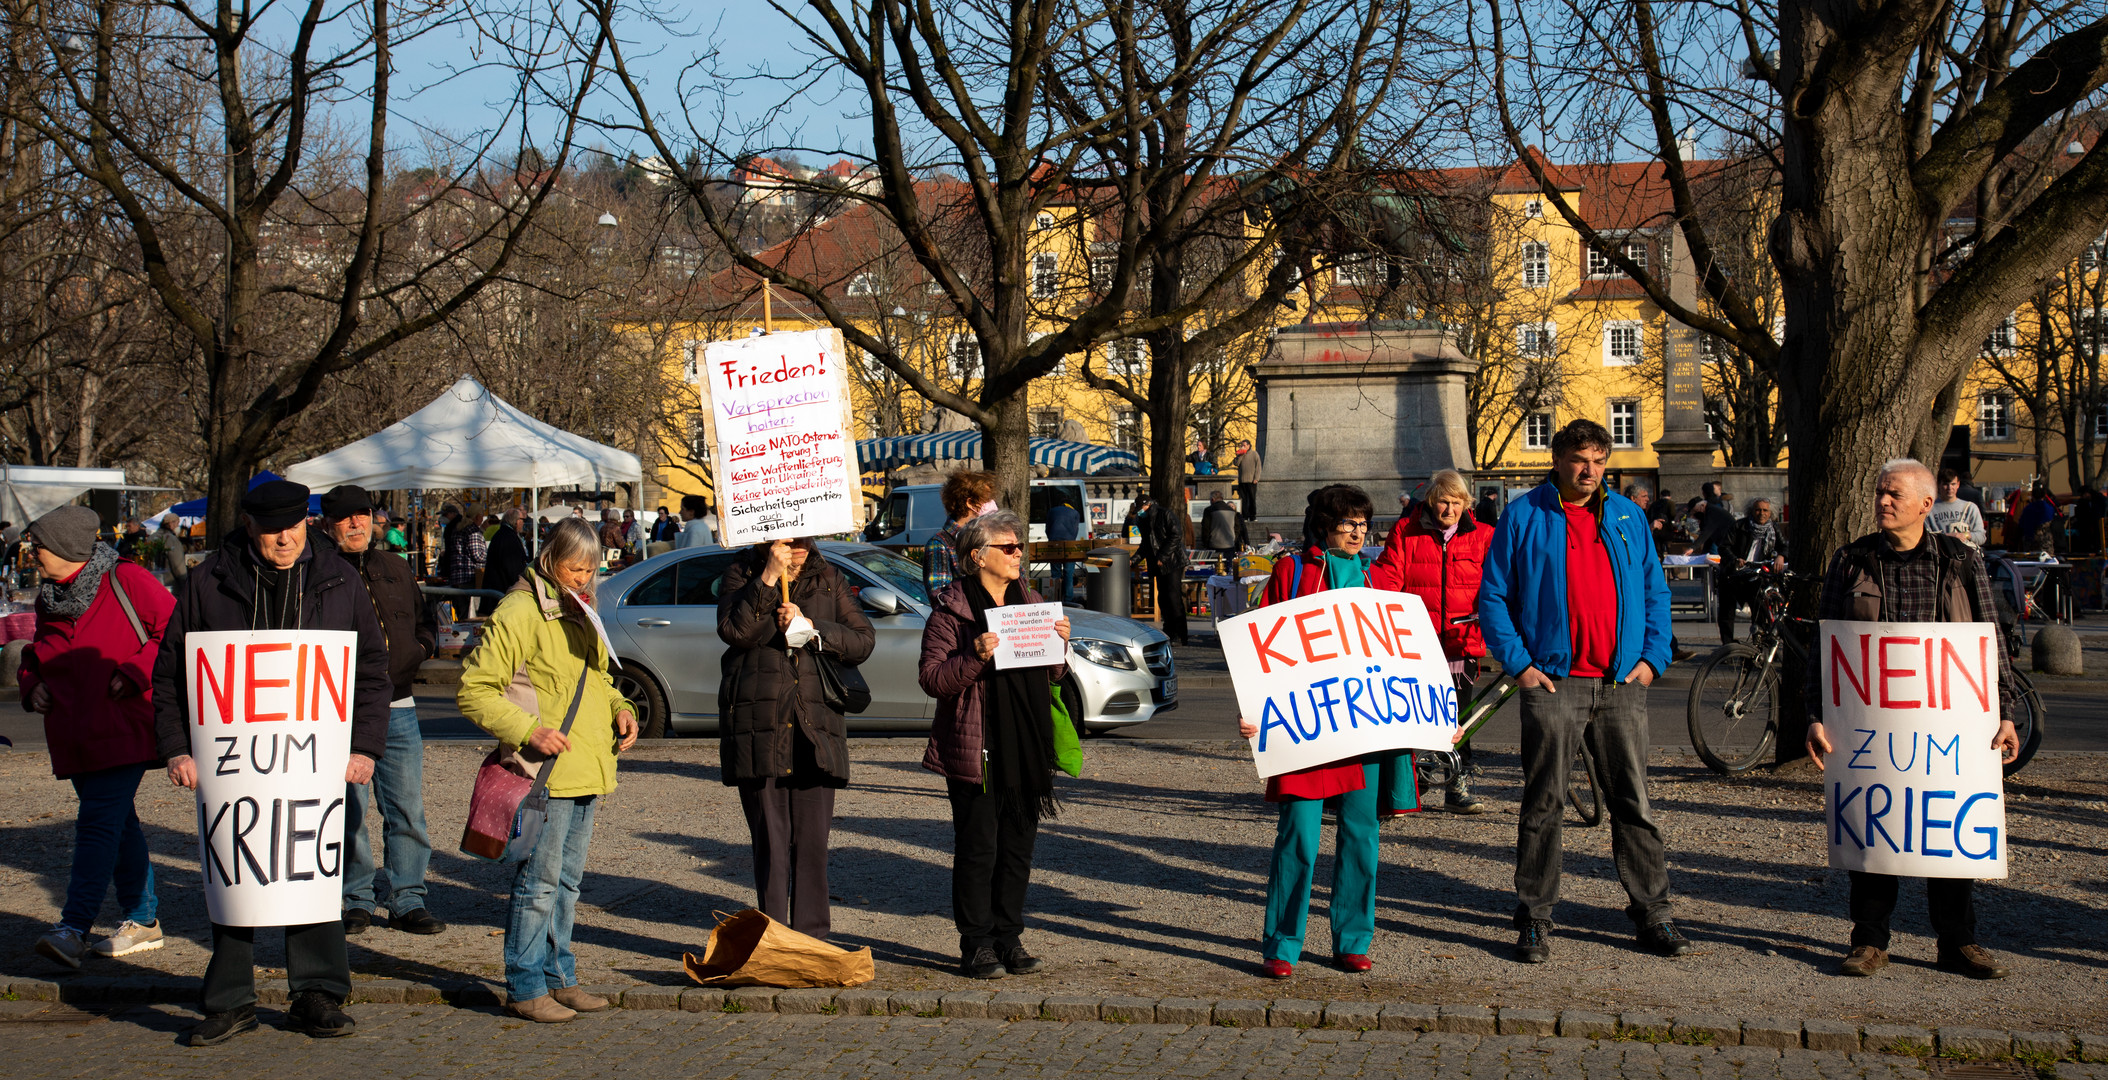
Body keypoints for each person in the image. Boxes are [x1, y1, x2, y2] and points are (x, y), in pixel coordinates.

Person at [151, 480, 392, 1045]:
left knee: (309, 865)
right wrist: (176, 746)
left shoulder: (339, 577)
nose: (284, 539)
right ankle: (230, 1000)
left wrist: (365, 746)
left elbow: (372, 671)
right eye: (270, 529)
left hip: (312, 759)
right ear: (248, 526)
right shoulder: (208, 581)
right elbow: (170, 675)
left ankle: (318, 993)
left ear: (307, 523)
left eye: (293, 526)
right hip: (234, 761)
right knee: (234, 867)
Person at [1477, 419, 1688, 964]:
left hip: (1621, 682)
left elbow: (1654, 591)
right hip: (1554, 681)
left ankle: (1654, 914)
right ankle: (1534, 917)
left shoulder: (1626, 516)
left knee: (1632, 803)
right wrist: (1520, 666)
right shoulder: (1525, 515)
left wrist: (1653, 660)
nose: (1589, 470)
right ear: (1558, 459)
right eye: (1580, 458)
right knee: (1544, 801)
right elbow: (1494, 596)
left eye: (1599, 459)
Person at [1805, 458, 2020, 981]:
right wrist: (1815, 715)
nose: (1883, 501)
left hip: (1948, 729)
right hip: (1872, 728)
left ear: (1926, 504)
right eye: (1880, 492)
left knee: (1945, 830)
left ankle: (1957, 941)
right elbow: (1824, 647)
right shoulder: (1852, 561)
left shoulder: (1961, 561)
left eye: (1894, 494)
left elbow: (1991, 643)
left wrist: (2006, 712)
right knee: (1873, 831)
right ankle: (1870, 940)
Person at [457, 516, 640, 1023]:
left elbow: (597, 677)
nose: (582, 578)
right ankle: (525, 983)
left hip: (586, 765)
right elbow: (474, 690)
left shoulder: (581, 605)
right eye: (573, 568)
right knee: (538, 883)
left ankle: (560, 978)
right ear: (548, 557)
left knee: (567, 884)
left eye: (589, 570)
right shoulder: (520, 610)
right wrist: (527, 731)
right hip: (546, 772)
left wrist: (620, 706)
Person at [1235, 484, 1394, 977]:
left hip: (1364, 723)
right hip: (1307, 724)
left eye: (1364, 524)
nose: (1359, 532)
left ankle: (1352, 939)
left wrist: (1428, 715)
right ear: (1324, 525)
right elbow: (1262, 645)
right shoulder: (1293, 569)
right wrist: (1254, 711)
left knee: (1361, 835)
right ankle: (1282, 944)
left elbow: (1395, 650)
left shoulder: (1375, 575)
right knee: (1299, 835)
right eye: (1349, 524)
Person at [917, 509, 1071, 979]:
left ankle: (1009, 936)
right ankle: (976, 943)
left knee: (1018, 848)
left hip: (1026, 743)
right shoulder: (951, 612)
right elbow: (932, 680)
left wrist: (1062, 646)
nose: (1018, 554)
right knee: (979, 847)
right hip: (978, 745)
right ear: (977, 556)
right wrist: (975, 656)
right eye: (1009, 547)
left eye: (1019, 546)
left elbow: (1053, 675)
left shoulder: (1031, 601)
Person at [22, 506, 177, 970]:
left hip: (122, 726)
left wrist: (134, 671)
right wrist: (31, 683)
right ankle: (143, 919)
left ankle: (73, 927)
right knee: (116, 824)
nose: (31, 554)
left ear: (66, 548)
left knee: (96, 824)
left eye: (38, 545)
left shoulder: (125, 579)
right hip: (72, 732)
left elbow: (174, 629)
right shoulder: (51, 595)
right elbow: (37, 650)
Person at [717, 536, 874, 938]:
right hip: (761, 725)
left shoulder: (828, 577)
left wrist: (812, 628)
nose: (799, 545)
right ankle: (773, 939)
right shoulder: (743, 572)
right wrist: (769, 578)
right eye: (790, 539)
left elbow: (862, 640)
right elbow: (735, 630)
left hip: (814, 728)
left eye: (806, 538)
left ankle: (811, 941)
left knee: (811, 847)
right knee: (770, 845)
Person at [319, 486, 444, 938]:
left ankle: (408, 898)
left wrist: (421, 648)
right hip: (343, 710)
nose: (356, 524)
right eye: (346, 517)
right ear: (326, 523)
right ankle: (355, 898)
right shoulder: (318, 572)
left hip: (399, 704)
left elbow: (425, 617)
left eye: (363, 515)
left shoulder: (392, 565)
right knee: (348, 809)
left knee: (407, 809)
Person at [1373, 469, 1493, 814]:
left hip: (1462, 638)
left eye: (1457, 502)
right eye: (1444, 501)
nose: (1450, 509)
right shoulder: (1406, 531)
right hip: (1417, 641)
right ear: (1431, 501)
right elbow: (1389, 578)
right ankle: (1417, 781)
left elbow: (1496, 583)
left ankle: (1457, 783)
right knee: (1417, 713)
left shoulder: (1483, 535)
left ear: (1467, 504)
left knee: (1461, 716)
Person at [1716, 498, 1789, 644]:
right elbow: (1724, 547)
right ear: (1751, 511)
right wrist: (1735, 559)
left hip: (1757, 576)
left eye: (1765, 510)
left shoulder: (1773, 528)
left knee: (1759, 613)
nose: (1761, 513)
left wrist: (1781, 556)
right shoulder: (1739, 526)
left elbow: (1784, 546)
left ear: (1770, 513)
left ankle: (1759, 645)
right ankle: (1728, 645)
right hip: (1734, 575)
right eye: (1758, 510)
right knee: (1727, 613)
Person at [923, 470, 997, 598]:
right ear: (970, 503)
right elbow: (940, 596)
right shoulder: (940, 544)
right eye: (987, 499)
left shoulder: (991, 537)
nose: (992, 503)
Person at [1142, 493, 1193, 645]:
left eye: (1142, 507)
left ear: (1148, 504)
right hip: (1161, 562)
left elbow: (1176, 536)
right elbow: (1146, 543)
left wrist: (1162, 556)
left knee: (1173, 596)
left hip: (1173, 561)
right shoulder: (1144, 519)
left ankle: (1179, 633)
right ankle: (1170, 630)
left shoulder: (1165, 514)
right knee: (1163, 598)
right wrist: (1134, 559)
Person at [443, 505, 487, 620]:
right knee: (470, 616)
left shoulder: (457, 529)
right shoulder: (472, 530)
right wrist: (492, 556)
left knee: (461, 615)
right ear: (477, 517)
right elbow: (478, 555)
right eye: (482, 516)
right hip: (470, 578)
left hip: (457, 578)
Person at [1931, 468, 1987, 546]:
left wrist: (1965, 535)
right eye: (1945, 484)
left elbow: (1981, 537)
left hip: (1966, 555)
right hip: (1940, 555)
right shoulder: (1929, 510)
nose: (1949, 488)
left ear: (1958, 485)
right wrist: (1946, 537)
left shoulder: (1970, 508)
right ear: (1938, 485)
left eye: (1953, 484)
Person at [1044, 494, 1083, 604]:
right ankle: (1068, 600)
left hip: (1053, 545)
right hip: (1069, 545)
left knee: (1055, 573)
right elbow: (1075, 531)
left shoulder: (1052, 511)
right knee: (1068, 573)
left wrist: (1052, 538)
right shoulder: (1075, 513)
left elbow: (1047, 528)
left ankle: (1055, 598)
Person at [485, 508, 532, 597]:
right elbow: (513, 568)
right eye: (522, 520)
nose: (523, 523)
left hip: (498, 589)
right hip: (502, 591)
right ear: (516, 521)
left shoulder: (503, 534)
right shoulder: (508, 538)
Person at [1200, 489, 1246, 569]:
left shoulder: (1209, 510)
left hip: (1214, 545)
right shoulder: (1231, 510)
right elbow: (1237, 527)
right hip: (1229, 545)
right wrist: (1233, 539)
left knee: (1213, 570)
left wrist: (1206, 544)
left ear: (1212, 499)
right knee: (1228, 569)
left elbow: (1205, 529)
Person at [2016, 481, 2059, 551]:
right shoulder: (2050, 508)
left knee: (2030, 559)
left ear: (2032, 496)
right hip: (2046, 540)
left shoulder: (2028, 508)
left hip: (2030, 539)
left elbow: (2021, 524)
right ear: (2044, 496)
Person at [1232, 440, 1262, 520]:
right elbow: (1236, 463)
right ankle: (1245, 516)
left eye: (1244, 445)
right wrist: (1241, 454)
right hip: (1242, 481)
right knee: (1243, 500)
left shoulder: (1254, 454)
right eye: (1241, 445)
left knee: (1252, 499)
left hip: (1251, 481)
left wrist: (1256, 478)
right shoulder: (1241, 454)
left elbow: (1258, 467)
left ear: (1249, 445)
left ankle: (1252, 516)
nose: (1242, 446)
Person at [157, 513, 189, 582]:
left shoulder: (152, 537)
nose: (178, 526)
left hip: (155, 580)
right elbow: (178, 564)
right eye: (178, 523)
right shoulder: (171, 538)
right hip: (170, 581)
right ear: (171, 523)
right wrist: (184, 580)